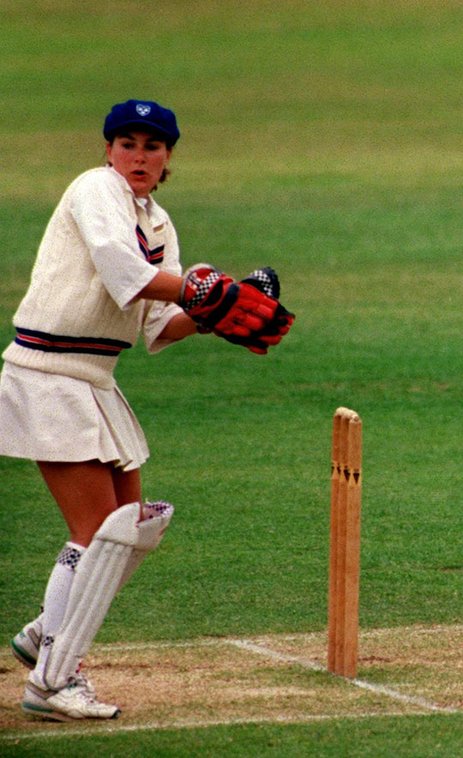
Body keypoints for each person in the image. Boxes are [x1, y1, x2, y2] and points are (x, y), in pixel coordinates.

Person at [1, 99, 294, 720]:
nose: (138, 156)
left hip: (95, 379)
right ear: (108, 149)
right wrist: (212, 287)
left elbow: (161, 324)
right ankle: (52, 681)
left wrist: (219, 308)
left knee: (131, 529)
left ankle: (44, 633)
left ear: (168, 160)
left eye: (152, 147)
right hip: (48, 372)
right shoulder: (94, 190)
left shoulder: (158, 222)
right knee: (97, 532)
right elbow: (123, 272)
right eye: (127, 143)